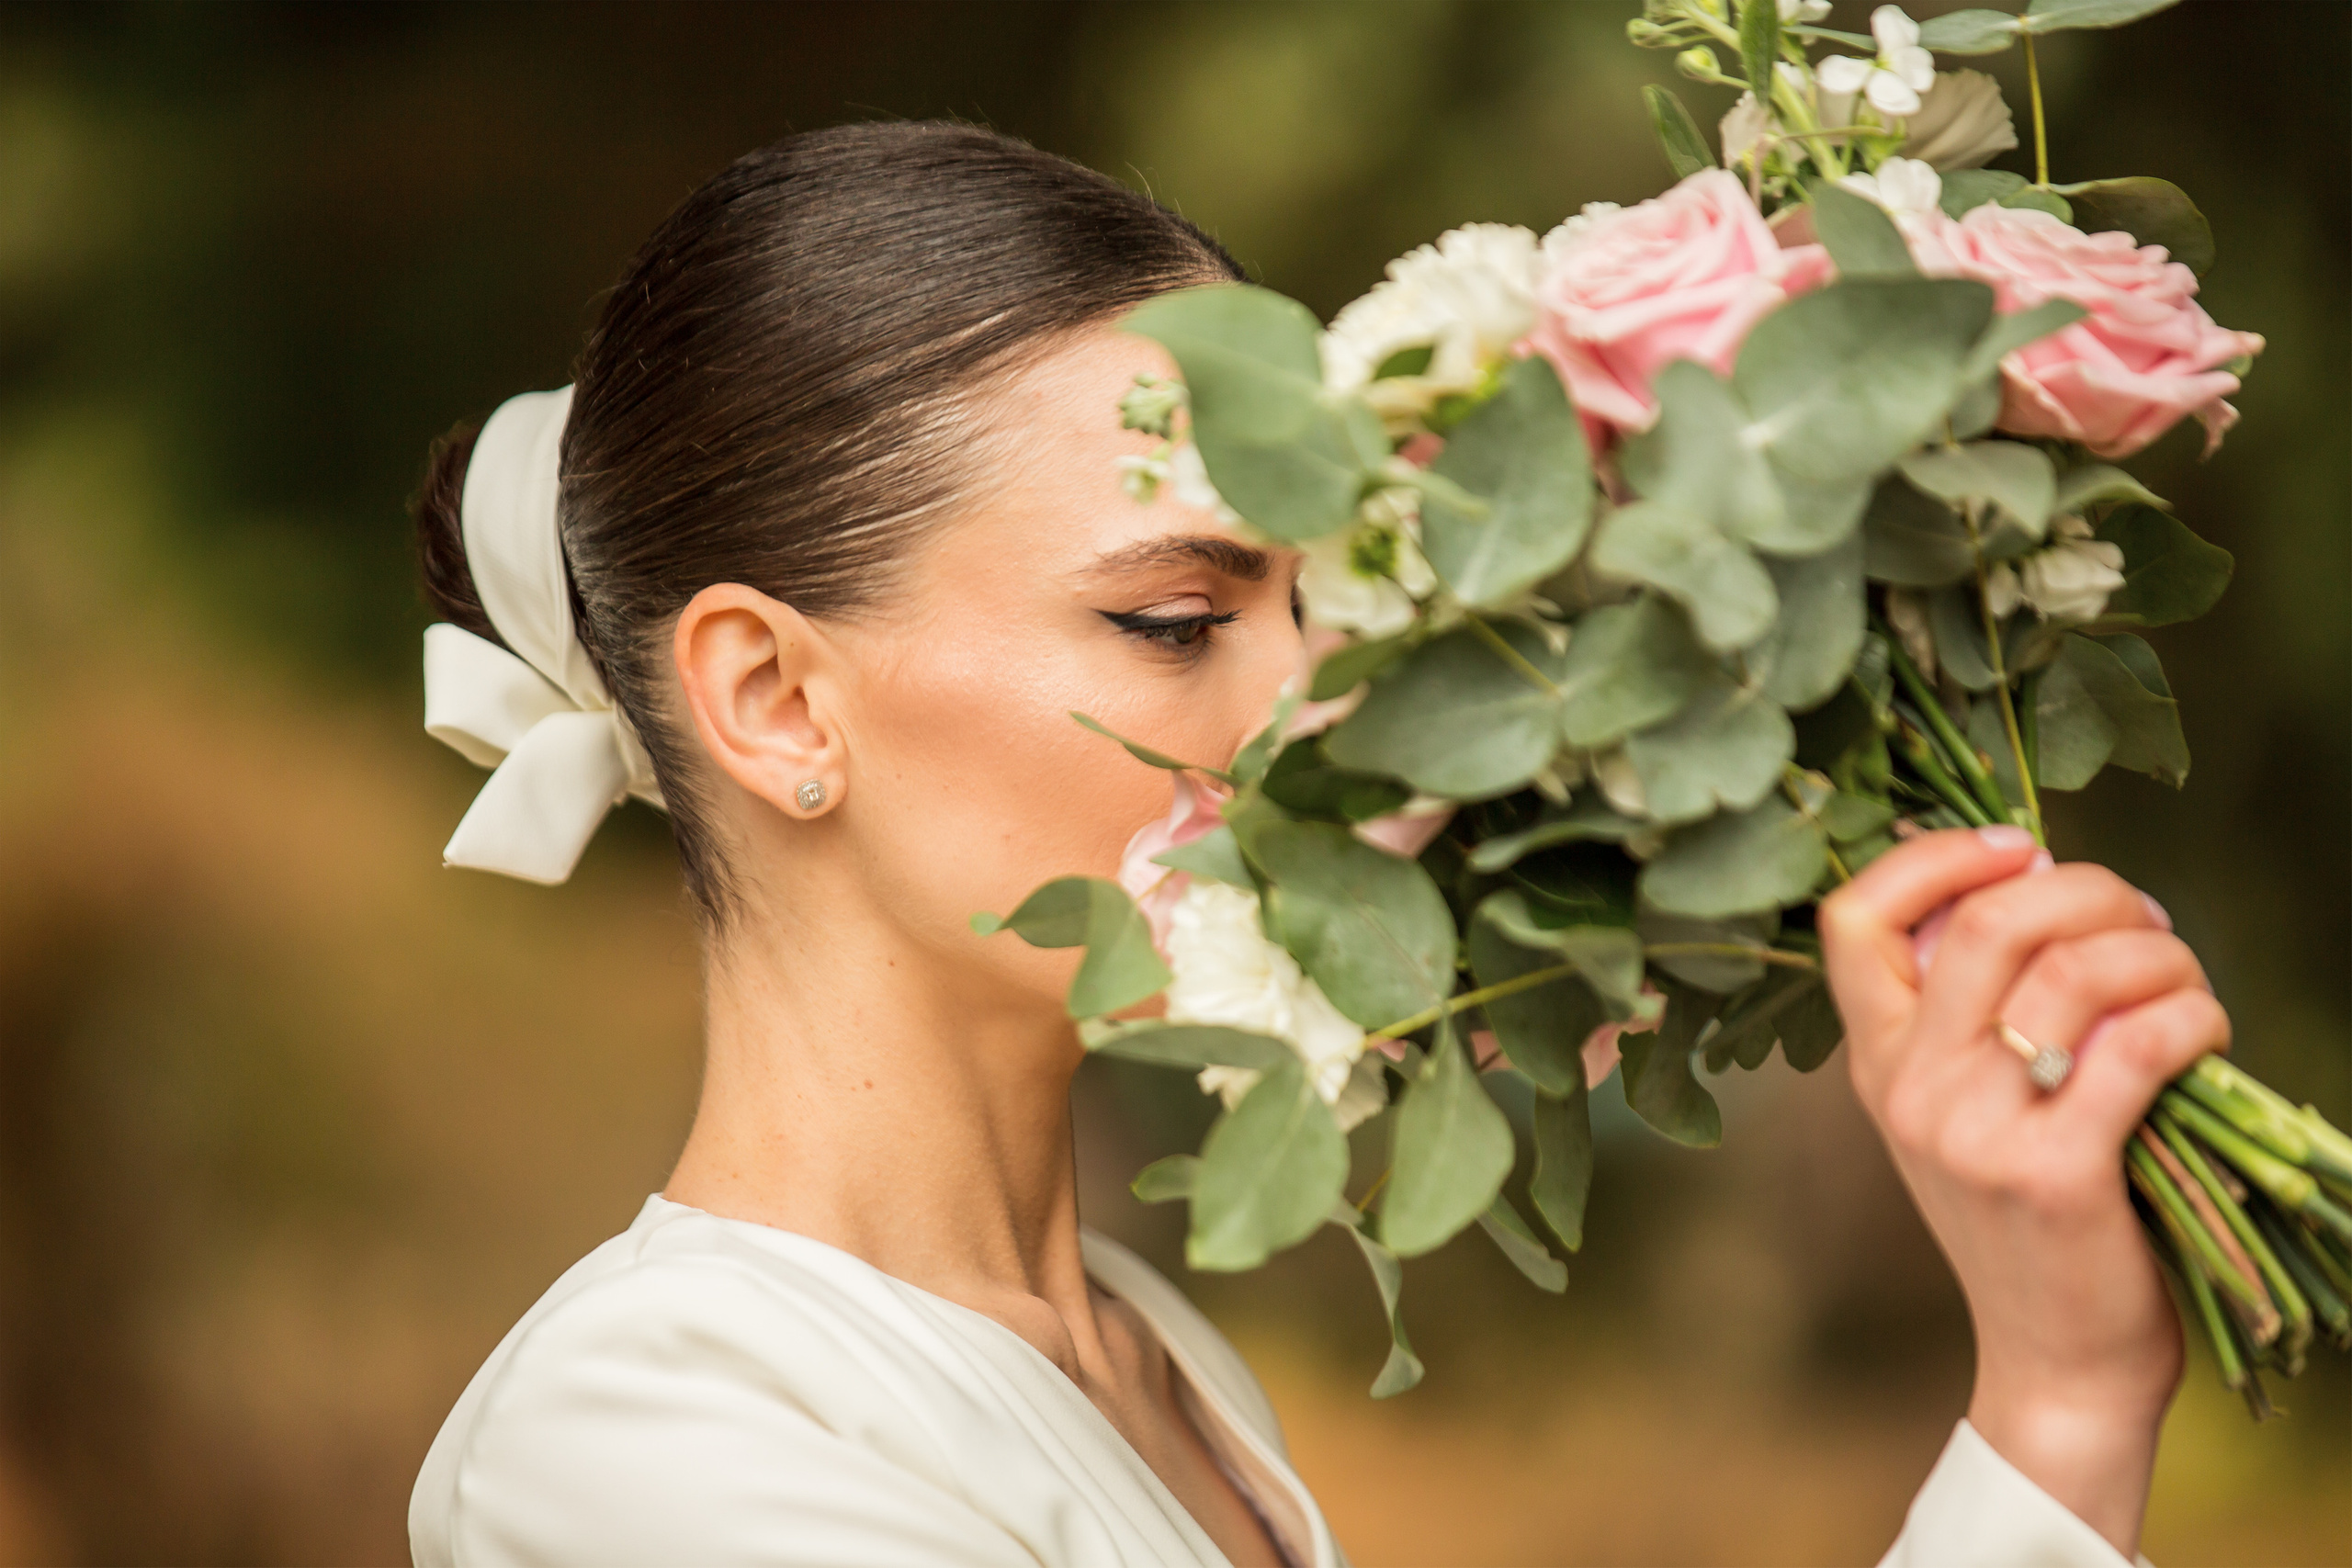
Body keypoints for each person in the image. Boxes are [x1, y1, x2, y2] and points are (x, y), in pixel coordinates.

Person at [406, 120, 2225, 1568]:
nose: (1318, 709)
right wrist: (2044, 1437)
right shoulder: (646, 1436)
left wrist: (2061, 1390)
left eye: (1318, 601)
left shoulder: (1145, 1350)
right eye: (1178, 619)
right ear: (775, 699)